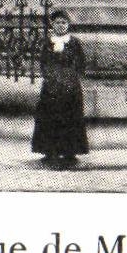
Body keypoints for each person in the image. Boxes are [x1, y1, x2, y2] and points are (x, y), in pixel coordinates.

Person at [32, 9, 89, 169]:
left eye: (64, 22)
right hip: (52, 87)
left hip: (70, 87)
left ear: (68, 25)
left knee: (70, 117)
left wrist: (71, 78)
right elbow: (43, 63)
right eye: (58, 22)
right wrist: (51, 78)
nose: (61, 25)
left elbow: (81, 64)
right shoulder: (47, 42)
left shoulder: (74, 42)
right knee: (50, 116)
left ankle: (70, 151)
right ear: (53, 24)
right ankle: (49, 150)